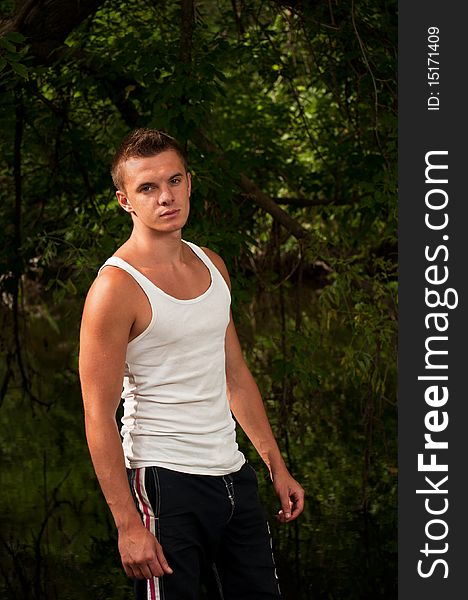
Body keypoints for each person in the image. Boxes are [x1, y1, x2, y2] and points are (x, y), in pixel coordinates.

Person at [79, 128, 304, 600]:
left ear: (189, 183)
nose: (166, 197)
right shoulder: (115, 289)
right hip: (163, 482)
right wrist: (127, 523)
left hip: (232, 475)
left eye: (174, 181)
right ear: (125, 200)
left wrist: (275, 466)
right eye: (148, 188)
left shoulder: (212, 265)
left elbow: (235, 375)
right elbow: (98, 415)